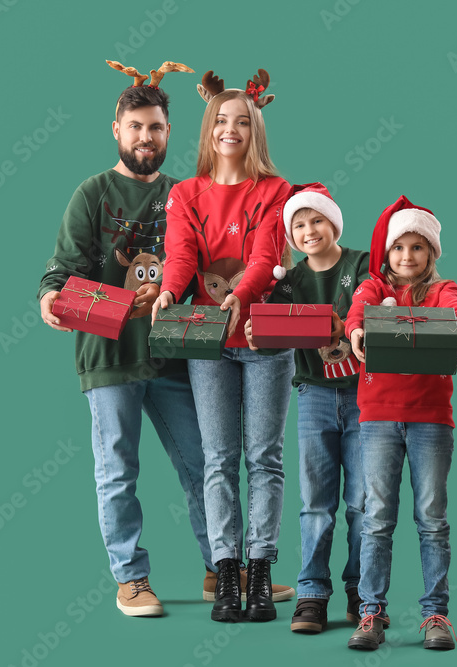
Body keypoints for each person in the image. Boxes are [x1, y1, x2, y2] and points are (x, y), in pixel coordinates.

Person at [37, 61, 214, 618]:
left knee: (206, 463)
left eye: (156, 127)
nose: (145, 137)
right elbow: (62, 270)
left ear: (169, 132)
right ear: (116, 129)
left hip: (172, 353)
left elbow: (209, 271)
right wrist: (48, 298)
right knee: (117, 468)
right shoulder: (92, 193)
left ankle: (223, 571)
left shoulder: (186, 194)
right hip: (109, 355)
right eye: (135, 126)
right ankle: (131, 580)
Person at [152, 68, 295, 623]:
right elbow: (183, 256)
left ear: (255, 132)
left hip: (264, 339)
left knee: (265, 457)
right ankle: (226, 573)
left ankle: (260, 572)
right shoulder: (187, 194)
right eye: (222, 121)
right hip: (206, 343)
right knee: (218, 459)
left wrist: (242, 293)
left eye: (243, 122)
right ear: (209, 129)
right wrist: (167, 289)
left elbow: (265, 256)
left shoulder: (276, 192)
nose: (231, 130)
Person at [343, 196, 457, 651]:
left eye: (418, 248)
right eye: (399, 247)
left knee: (432, 518)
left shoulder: (443, 290)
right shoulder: (373, 288)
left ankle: (435, 614)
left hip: (431, 420)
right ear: (387, 253)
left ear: (431, 254)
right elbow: (356, 313)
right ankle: (371, 613)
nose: (407, 257)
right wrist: (357, 332)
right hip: (378, 418)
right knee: (376, 518)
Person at [243, 183, 370, 633]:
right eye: (298, 225)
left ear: (333, 222)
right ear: (291, 237)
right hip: (314, 393)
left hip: (364, 395)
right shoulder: (289, 282)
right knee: (316, 502)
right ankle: (313, 594)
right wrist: (259, 334)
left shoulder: (362, 265)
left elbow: (373, 304)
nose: (309, 230)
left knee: (362, 502)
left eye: (316, 219)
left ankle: (361, 591)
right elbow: (269, 329)